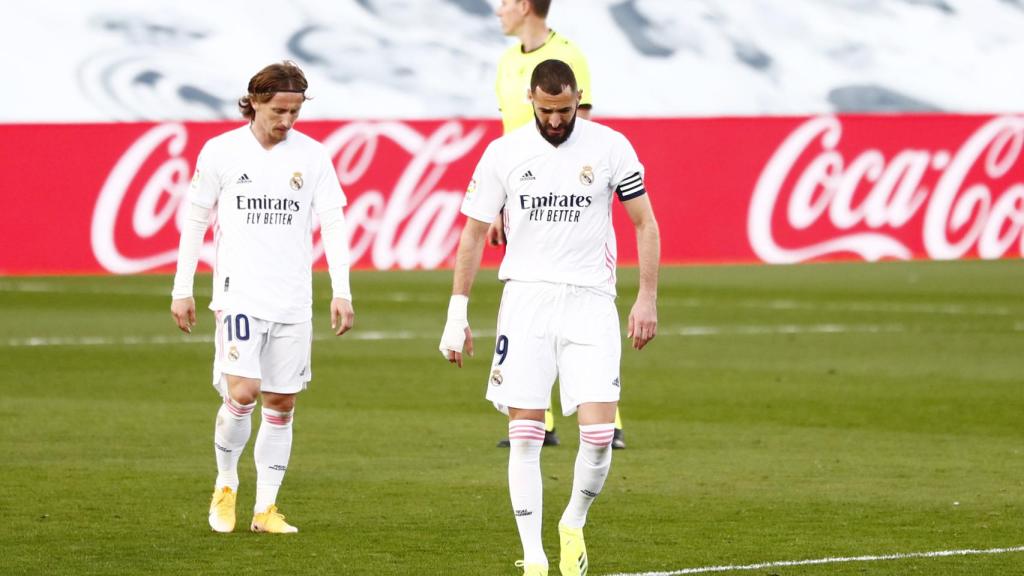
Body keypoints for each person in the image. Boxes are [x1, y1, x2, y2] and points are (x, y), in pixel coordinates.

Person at [439, 59, 660, 576]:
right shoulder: (504, 152)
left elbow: (644, 222)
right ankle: (535, 557)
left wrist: (646, 296)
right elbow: (472, 233)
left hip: (590, 302)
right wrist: (457, 312)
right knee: (525, 433)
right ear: (531, 102)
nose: (557, 120)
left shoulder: (610, 146)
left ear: (578, 97)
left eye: (564, 110)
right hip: (526, 303)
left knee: (600, 437)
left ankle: (572, 523)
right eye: (546, 110)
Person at [170, 60, 355, 535]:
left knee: (282, 403)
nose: (286, 121)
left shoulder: (312, 156)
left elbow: (333, 221)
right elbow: (195, 220)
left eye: (294, 112)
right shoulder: (221, 152)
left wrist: (341, 290)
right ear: (254, 101)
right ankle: (226, 484)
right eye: (278, 110)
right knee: (243, 392)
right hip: (239, 295)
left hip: (293, 298)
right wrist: (183, 288)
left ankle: (265, 509)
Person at [493, 0, 627, 451]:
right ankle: (541, 418)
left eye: (506, 2)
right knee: (533, 307)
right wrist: (499, 203)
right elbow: (506, 141)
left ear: (526, 5)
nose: (498, 11)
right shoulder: (507, 64)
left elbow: (576, 133)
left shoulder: (569, 56)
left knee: (583, 305)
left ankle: (610, 417)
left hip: (565, 200)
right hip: (522, 197)